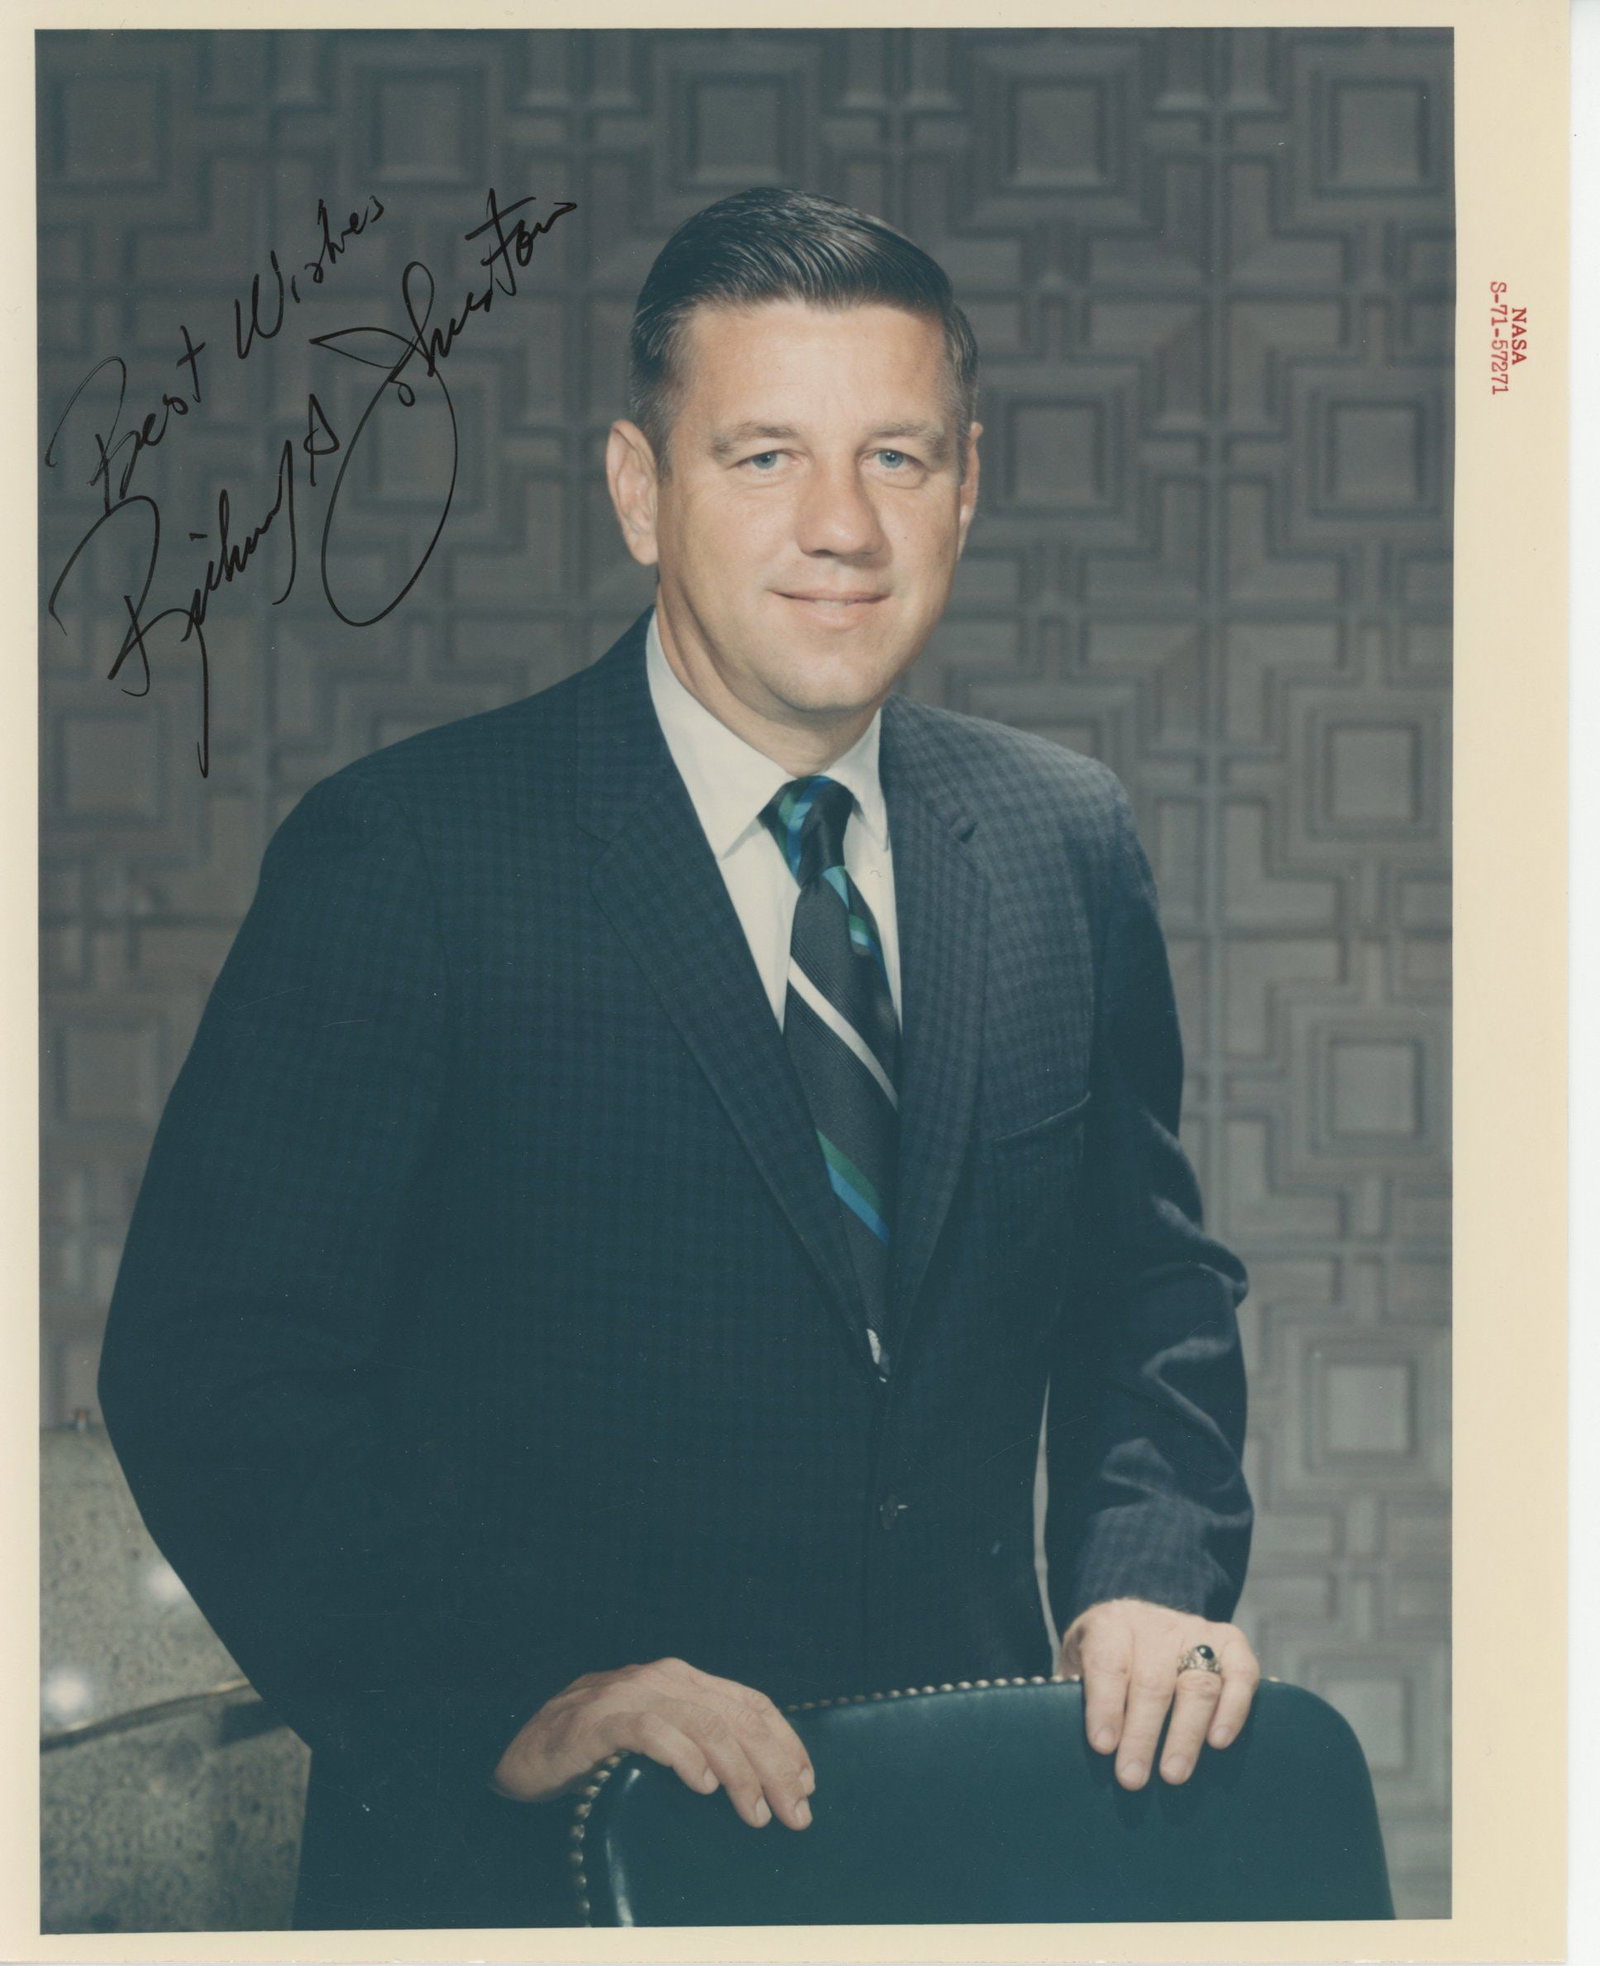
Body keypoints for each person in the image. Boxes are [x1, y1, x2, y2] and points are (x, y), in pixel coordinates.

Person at [97, 187, 1257, 1931]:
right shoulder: (410, 855)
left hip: (973, 1848)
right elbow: (213, 1370)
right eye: (764, 455)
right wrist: (516, 1692)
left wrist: (1148, 1577)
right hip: (534, 1875)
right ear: (643, 492)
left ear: (969, 484)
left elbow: (1148, 1293)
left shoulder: (1058, 842)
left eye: (897, 456)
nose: (841, 526)